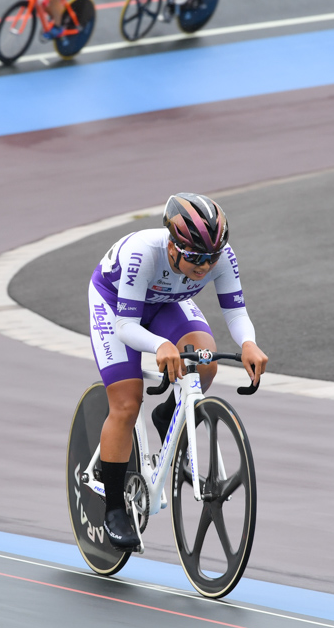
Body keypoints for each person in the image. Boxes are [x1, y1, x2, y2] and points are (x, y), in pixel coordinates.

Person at [88, 193, 268, 551]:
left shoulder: (220, 257)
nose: (204, 266)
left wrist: (248, 342)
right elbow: (126, 325)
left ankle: (168, 413)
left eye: (210, 258)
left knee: (205, 362)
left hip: (166, 301)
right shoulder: (144, 253)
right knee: (126, 402)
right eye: (195, 258)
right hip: (116, 307)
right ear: (172, 245)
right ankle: (113, 510)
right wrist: (159, 345)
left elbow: (235, 311)